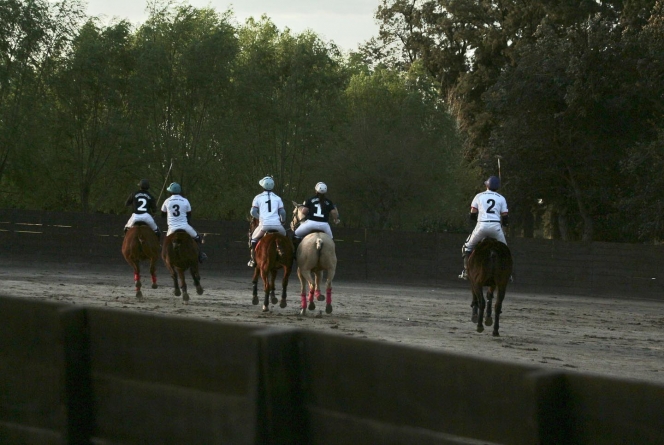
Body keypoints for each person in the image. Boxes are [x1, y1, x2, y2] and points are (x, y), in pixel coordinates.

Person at [459, 175, 508, 280]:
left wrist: (473, 220)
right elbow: (505, 216)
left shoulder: (479, 196)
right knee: (505, 250)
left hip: (481, 226)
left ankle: (467, 271)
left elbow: (473, 213)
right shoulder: (501, 198)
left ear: (487, 185)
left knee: (467, 247)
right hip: (496, 228)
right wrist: (505, 225)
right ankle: (507, 274)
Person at [160, 182, 207, 263]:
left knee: (166, 242)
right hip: (184, 226)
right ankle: (200, 255)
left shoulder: (167, 201)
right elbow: (189, 215)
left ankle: (165, 255)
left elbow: (162, 215)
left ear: (170, 192)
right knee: (198, 237)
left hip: (172, 228)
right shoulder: (185, 200)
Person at [247, 176, 287, 267]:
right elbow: (283, 212)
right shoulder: (277, 198)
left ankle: (253, 259)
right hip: (277, 225)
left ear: (262, 186)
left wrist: (260, 218)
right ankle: (287, 257)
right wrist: (283, 221)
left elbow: (253, 212)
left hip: (264, 225)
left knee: (253, 239)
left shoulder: (258, 197)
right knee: (285, 238)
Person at [293, 182, 340, 252]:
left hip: (310, 224)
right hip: (324, 225)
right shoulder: (329, 202)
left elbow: (304, 212)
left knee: (295, 234)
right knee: (331, 240)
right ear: (325, 192)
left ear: (316, 190)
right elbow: (333, 212)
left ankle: (296, 252)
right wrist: (335, 219)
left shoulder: (310, 199)